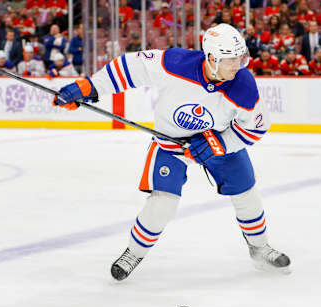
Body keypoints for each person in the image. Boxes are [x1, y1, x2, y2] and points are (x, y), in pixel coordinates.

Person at [53, 24, 291, 281]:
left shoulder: (243, 84)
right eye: (230, 60)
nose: (238, 65)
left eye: (240, 58)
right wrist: (90, 87)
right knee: (162, 203)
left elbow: (257, 128)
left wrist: (219, 143)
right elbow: (129, 68)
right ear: (211, 58)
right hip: (172, 142)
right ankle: (133, 253)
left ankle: (260, 247)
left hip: (220, 140)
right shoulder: (175, 63)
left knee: (247, 194)